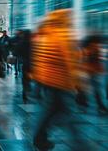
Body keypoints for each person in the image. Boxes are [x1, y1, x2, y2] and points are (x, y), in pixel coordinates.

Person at [31, 9, 81, 150]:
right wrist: (76, 83)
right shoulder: (61, 35)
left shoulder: (45, 35)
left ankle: (40, 137)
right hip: (60, 80)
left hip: (47, 78)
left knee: (51, 110)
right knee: (65, 112)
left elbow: (39, 58)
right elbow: (69, 61)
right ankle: (79, 144)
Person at [81, 35, 107, 113]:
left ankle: (84, 105)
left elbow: (84, 59)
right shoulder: (95, 47)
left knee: (88, 90)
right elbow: (97, 58)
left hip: (89, 70)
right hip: (95, 71)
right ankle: (101, 107)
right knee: (98, 90)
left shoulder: (85, 48)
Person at [16, 30, 32, 102]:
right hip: (32, 63)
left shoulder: (21, 43)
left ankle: (25, 91)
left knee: (24, 78)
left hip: (25, 63)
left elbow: (16, 52)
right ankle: (28, 88)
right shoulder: (32, 43)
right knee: (29, 77)